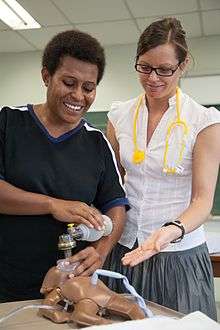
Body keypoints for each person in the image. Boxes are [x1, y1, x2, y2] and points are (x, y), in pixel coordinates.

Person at [0, 30, 129, 302]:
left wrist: (101, 250)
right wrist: (51, 205)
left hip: (70, 288)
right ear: (46, 76)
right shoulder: (8, 124)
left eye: (88, 88)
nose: (78, 96)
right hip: (6, 284)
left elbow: (116, 206)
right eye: (69, 83)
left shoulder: (97, 143)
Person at [104, 17, 220, 319]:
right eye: (144, 67)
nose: (153, 78)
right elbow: (111, 184)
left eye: (165, 70)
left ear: (182, 66)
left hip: (177, 255)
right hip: (125, 250)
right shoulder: (119, 116)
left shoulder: (204, 122)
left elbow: (202, 200)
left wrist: (171, 230)